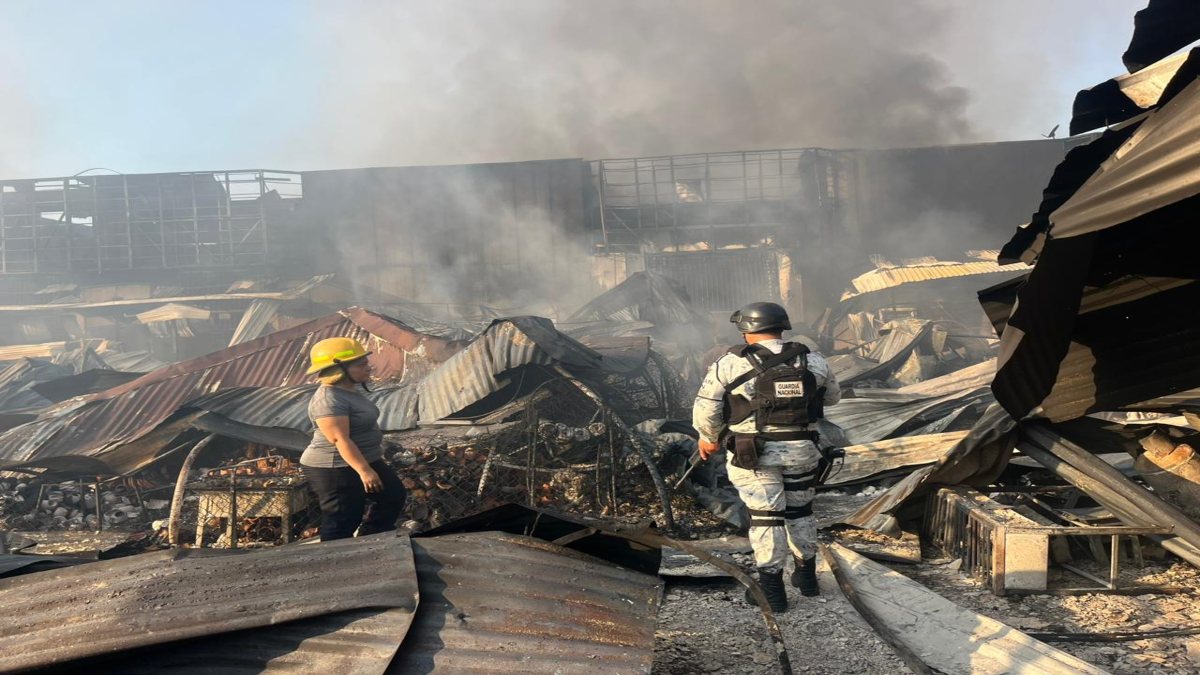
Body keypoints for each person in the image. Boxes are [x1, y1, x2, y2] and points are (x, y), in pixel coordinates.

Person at [692, 302, 841, 612]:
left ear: (746, 330)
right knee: (801, 512)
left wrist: (708, 438)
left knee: (767, 516)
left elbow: (707, 408)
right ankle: (807, 578)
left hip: (754, 454)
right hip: (803, 450)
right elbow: (833, 397)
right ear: (782, 327)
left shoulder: (730, 363)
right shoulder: (812, 360)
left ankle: (772, 590)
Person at [299, 337, 406, 541]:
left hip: (362, 458)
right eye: (361, 364)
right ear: (339, 369)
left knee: (392, 495)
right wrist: (364, 471)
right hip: (334, 467)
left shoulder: (347, 390)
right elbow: (340, 440)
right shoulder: (328, 400)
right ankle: (336, 564)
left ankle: (371, 540)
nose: (368, 367)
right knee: (343, 517)